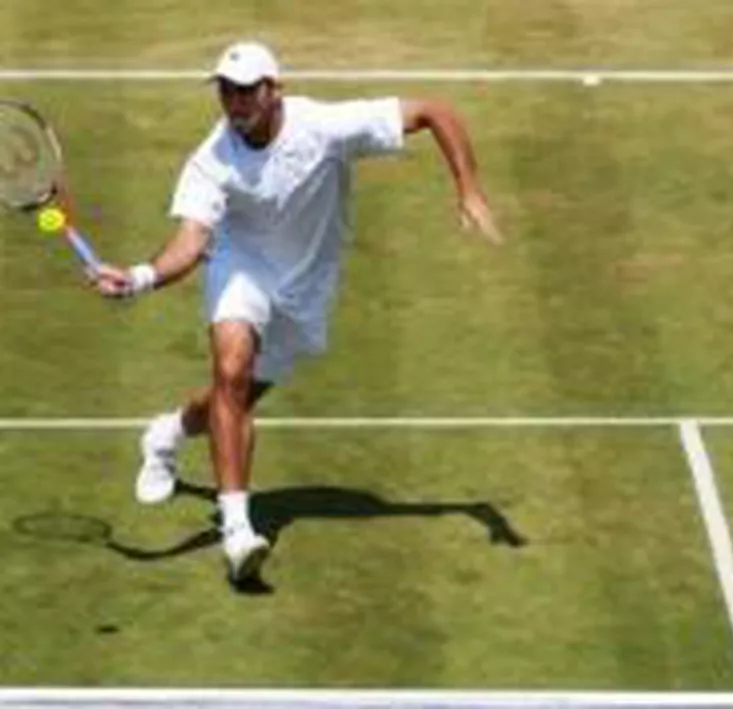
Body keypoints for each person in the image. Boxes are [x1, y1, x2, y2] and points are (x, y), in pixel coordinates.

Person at [90, 41, 500, 586]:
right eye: (226, 90)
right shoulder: (211, 160)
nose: (234, 102)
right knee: (231, 371)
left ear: (274, 90)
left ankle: (165, 434)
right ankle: (238, 531)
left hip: (306, 287)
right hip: (240, 267)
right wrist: (140, 276)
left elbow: (434, 112)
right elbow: (191, 241)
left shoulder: (324, 127)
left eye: (245, 90)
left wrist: (468, 188)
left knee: (234, 398)